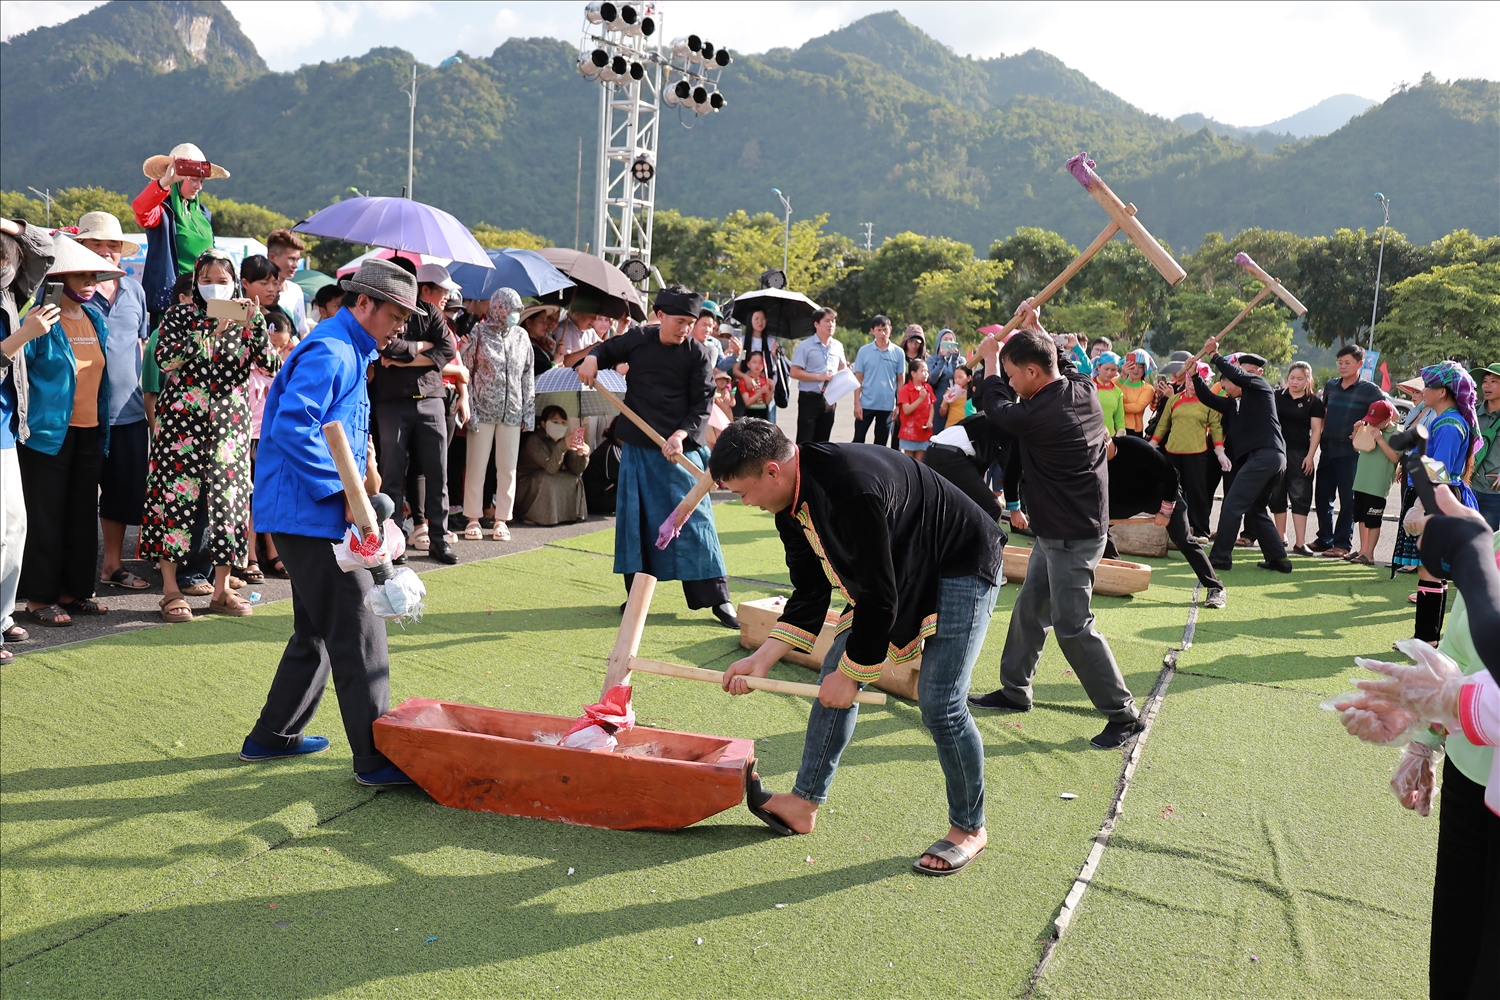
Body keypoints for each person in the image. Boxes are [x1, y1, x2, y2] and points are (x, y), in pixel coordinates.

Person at [712, 418, 1005, 875]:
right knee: (836, 670)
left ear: (772, 470)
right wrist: (762, 657)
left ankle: (969, 827)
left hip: (961, 560)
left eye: (743, 492)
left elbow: (879, 597)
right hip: (901, 565)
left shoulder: (849, 489)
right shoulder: (790, 503)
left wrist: (853, 673)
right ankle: (803, 803)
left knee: (941, 703)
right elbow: (810, 591)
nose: (745, 502)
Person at [242, 258, 417, 787]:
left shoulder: (347, 347)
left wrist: (365, 469)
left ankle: (274, 734)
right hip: (309, 512)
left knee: (318, 628)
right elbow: (296, 427)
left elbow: (333, 424)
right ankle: (375, 758)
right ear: (362, 303)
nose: (401, 327)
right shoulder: (333, 349)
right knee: (360, 629)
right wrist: (345, 489)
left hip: (309, 509)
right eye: (396, 315)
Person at [1330, 487, 1499, 999]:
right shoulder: (1492, 543)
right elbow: (1460, 647)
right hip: (1476, 781)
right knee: (1456, 941)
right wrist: (1421, 737)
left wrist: (1446, 703)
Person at [969, 304, 1142, 750]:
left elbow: (993, 406)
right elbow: (1063, 361)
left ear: (1030, 372)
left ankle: (1123, 715)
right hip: (1061, 528)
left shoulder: (1037, 415)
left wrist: (990, 357)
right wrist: (1036, 327)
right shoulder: (1080, 388)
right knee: (1030, 608)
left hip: (1072, 534)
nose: (1008, 382)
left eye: (1011, 374)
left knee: (1072, 624)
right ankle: (1014, 689)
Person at [577, 285, 736, 628]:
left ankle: (718, 600)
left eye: (689, 323)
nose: (684, 329)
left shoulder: (698, 354)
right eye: (679, 321)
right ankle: (637, 596)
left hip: (679, 452)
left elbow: (702, 403)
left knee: (696, 525)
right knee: (637, 523)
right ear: (660, 316)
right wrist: (591, 360)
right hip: (639, 449)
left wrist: (680, 435)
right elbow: (606, 350)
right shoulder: (637, 339)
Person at [142, 248, 278, 621]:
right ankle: (171, 590)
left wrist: (255, 326)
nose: (215, 288)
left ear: (234, 283)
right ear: (196, 282)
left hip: (229, 427)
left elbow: (270, 367)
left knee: (228, 504)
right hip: (180, 425)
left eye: (222, 282)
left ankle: (222, 590)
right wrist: (208, 330)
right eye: (206, 281)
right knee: (174, 500)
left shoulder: (246, 317)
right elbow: (166, 360)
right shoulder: (179, 315)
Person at [13, 235, 122, 627]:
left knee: (80, 512)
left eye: (94, 274)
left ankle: (75, 591)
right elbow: (17, 370)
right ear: (59, 276)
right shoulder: (40, 319)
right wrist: (29, 330)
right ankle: (38, 599)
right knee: (46, 516)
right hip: (47, 433)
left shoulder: (95, 319)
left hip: (90, 430)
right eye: (80, 274)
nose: (90, 280)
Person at [74, 212, 153, 592]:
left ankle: (111, 565)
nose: (106, 253)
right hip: (82, 414)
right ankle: (73, 573)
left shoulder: (135, 291)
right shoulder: (68, 291)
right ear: (80, 248)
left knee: (122, 494)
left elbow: (140, 346)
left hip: (130, 412)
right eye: (96, 244)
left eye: (113, 246)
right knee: (79, 495)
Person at [370, 260, 457, 563]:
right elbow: (386, 349)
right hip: (391, 401)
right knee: (391, 474)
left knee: (438, 474)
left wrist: (410, 357)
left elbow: (446, 350)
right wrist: (423, 347)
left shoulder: (429, 311)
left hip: (431, 398)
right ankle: (395, 542)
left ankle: (439, 539)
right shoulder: (382, 312)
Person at [0, 217, 55, 658]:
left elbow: (44, 248)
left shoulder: (9, 292)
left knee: (14, 526)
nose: (6, 261)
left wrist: (7, 222)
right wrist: (23, 335)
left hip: (5, 426)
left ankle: (2, 616)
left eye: (6, 254)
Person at [1400, 362, 1482, 644]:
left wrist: (1422, 506)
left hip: (1439, 499)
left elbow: (1441, 470)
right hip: (1443, 497)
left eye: (1429, 386)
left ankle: (1425, 639)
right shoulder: (1448, 419)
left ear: (1443, 392)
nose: (1424, 390)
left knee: (1430, 569)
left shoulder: (1448, 423)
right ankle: (1427, 637)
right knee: (1433, 569)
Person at [1191, 343, 1291, 573]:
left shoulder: (1260, 386)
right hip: (1268, 459)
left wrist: (1214, 355)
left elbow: (1238, 376)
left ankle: (1220, 558)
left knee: (1233, 505)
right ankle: (1279, 559)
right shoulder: (1235, 403)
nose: (1223, 386)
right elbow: (1208, 399)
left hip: (1266, 455)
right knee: (1254, 510)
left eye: (1226, 381)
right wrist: (1194, 375)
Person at [1106, 434, 1226, 607]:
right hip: (1128, 498)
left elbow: (1170, 474)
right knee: (1098, 527)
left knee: (1183, 539)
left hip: (1162, 494)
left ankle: (1215, 587)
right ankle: (1119, 573)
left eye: (1099, 450)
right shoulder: (1091, 457)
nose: (1095, 456)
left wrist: (1166, 510)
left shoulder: (1135, 446)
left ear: (1109, 442)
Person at [459, 287, 534, 542]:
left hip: (512, 411)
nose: (515, 314)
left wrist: (528, 412)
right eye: (511, 309)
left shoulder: (522, 337)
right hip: (482, 409)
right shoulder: (479, 332)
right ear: (498, 308)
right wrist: (468, 406)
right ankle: (472, 518)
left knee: (507, 468)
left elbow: (527, 375)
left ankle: (502, 519)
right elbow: (467, 371)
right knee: (477, 466)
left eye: (517, 310)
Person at [132, 142, 226, 317]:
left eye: (201, 181)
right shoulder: (163, 210)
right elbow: (141, 210)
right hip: (172, 301)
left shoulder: (204, 213)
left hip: (205, 297)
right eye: (193, 179)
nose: (198, 186)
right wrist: (164, 182)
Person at [1313, 343, 1388, 559]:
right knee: (1322, 496)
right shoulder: (1331, 386)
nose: (1343, 366)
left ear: (1360, 364)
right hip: (1327, 449)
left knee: (1348, 500)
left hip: (1352, 453)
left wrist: (1365, 428)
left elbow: (1386, 415)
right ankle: (1323, 538)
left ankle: (1342, 543)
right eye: (1340, 362)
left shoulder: (1370, 390)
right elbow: (1324, 413)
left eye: (1347, 363)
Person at [1149, 361, 1227, 539]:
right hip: (1173, 452)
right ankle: (1170, 531)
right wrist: (1152, 444)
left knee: (1198, 492)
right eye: (1189, 380)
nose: (1192, 384)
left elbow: (1216, 427)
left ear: (1204, 382)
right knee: (1170, 492)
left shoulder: (1208, 402)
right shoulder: (1175, 399)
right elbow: (1163, 424)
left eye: (1196, 380)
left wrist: (1220, 451)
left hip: (1198, 453)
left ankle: (1200, 531)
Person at [1270, 361, 1325, 555]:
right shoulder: (1276, 397)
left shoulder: (1314, 402)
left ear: (1308, 380)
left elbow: (1317, 431)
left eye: (1300, 378)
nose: (1295, 382)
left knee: (1300, 497)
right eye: (1292, 378)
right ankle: (1279, 537)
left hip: (1301, 454)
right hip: (1276, 452)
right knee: (1276, 495)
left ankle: (1300, 543)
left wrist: (1310, 456)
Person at [515, 405, 590, 526]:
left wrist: (583, 455)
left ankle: (568, 515)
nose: (559, 425)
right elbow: (550, 469)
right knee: (546, 478)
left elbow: (576, 470)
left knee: (574, 478)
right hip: (523, 485)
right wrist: (561, 447)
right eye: (555, 422)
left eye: (563, 423)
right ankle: (531, 514)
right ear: (544, 424)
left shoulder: (563, 440)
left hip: (544, 477)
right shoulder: (534, 441)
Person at [1348, 400, 1400, 566]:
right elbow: (1357, 448)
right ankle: (1363, 550)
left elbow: (1395, 458)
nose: (1373, 423)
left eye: (1377, 421)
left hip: (1377, 484)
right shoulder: (1369, 427)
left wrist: (1380, 439)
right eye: (1371, 420)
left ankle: (1369, 554)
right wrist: (1357, 432)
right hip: (1362, 481)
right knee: (1361, 518)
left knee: (1373, 520)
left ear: (1388, 418)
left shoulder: (1397, 433)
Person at [789, 307, 847, 444]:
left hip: (830, 399)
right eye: (827, 321)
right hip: (809, 398)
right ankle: (802, 465)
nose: (831, 324)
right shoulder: (805, 346)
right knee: (805, 439)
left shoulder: (838, 346)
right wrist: (818, 376)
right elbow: (794, 371)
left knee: (823, 440)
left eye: (833, 321)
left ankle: (819, 465)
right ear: (816, 324)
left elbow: (842, 367)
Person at [850, 314, 903, 447]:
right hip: (866, 404)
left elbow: (900, 379)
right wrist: (857, 402)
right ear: (872, 331)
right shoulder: (864, 351)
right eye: (878, 330)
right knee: (858, 439)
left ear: (890, 329)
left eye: (885, 329)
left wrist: (899, 404)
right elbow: (858, 378)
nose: (882, 333)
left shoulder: (898, 352)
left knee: (881, 443)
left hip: (887, 405)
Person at [732, 308, 783, 424]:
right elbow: (736, 370)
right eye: (757, 319)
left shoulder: (771, 342)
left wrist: (776, 355)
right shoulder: (743, 341)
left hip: (765, 390)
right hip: (745, 389)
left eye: (763, 319)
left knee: (766, 425)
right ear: (750, 320)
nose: (760, 322)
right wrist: (747, 378)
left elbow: (775, 368)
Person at [266, 229, 311, 336]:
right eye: (291, 259)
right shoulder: (259, 292)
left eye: (297, 260)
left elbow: (303, 331)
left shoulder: (296, 290)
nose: (295, 265)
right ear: (272, 257)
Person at [1472, 362, 1500, 530]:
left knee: (1488, 544)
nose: (1487, 385)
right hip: (1469, 487)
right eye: (1485, 381)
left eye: (1494, 381)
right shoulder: (1472, 413)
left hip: (1494, 494)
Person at [896, 357, 936, 461]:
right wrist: (920, 398)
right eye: (922, 371)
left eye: (927, 371)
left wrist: (930, 421)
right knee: (909, 461)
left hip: (924, 432)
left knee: (920, 462)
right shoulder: (905, 390)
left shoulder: (928, 388)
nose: (926, 373)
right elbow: (906, 410)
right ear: (913, 373)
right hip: (910, 432)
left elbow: (931, 407)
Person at [582, 417, 622, 515]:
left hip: (600, 496)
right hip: (598, 499)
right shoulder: (611, 449)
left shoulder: (613, 446)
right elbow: (629, 474)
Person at [927, 329, 962, 429]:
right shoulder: (931, 360)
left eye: (951, 339)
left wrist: (955, 360)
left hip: (957, 400)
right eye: (945, 339)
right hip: (939, 398)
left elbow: (960, 379)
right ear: (939, 342)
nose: (949, 342)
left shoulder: (960, 360)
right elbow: (932, 380)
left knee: (954, 428)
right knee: (938, 428)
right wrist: (942, 360)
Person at [1118, 349, 1155, 437]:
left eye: (1141, 367)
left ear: (1145, 369)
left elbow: (1137, 407)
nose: (1136, 369)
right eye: (1133, 365)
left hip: (1134, 431)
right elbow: (1110, 396)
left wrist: (1117, 405)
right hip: (1115, 426)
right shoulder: (1118, 381)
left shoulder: (1148, 388)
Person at [520, 302, 560, 377]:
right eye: (541, 321)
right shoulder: (524, 345)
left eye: (546, 321)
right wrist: (556, 362)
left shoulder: (538, 343)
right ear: (528, 323)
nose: (546, 325)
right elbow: (538, 370)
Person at [1093, 351, 1126, 437]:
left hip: (1108, 439)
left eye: (1113, 370)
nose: (1109, 373)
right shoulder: (1088, 387)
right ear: (1099, 367)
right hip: (1089, 437)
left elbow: (1119, 420)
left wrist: (1118, 439)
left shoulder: (1118, 392)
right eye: (1106, 369)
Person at [737, 351, 774, 420]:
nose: (757, 365)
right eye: (754, 362)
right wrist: (760, 392)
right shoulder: (743, 381)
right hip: (750, 412)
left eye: (760, 363)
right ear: (748, 364)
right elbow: (747, 402)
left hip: (763, 412)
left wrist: (772, 390)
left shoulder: (765, 380)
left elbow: (767, 402)